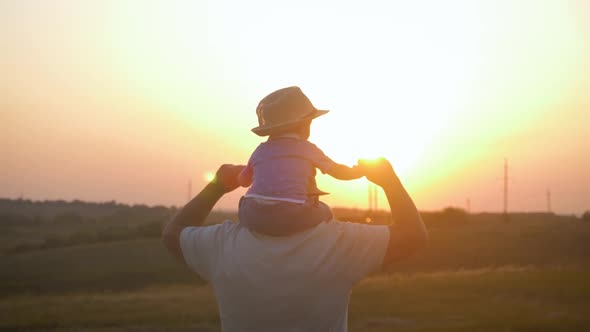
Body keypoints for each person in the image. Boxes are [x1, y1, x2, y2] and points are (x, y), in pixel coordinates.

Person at [162, 156, 428, 332]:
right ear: (311, 197)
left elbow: (173, 233)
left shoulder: (222, 245)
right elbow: (413, 235)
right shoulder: (338, 244)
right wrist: (389, 180)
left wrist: (217, 186)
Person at [237, 86, 364, 236]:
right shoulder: (308, 148)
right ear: (304, 125)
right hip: (292, 215)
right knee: (325, 210)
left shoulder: (259, 150)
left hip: (252, 214)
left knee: (245, 201)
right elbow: (338, 172)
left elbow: (243, 181)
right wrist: (359, 171)